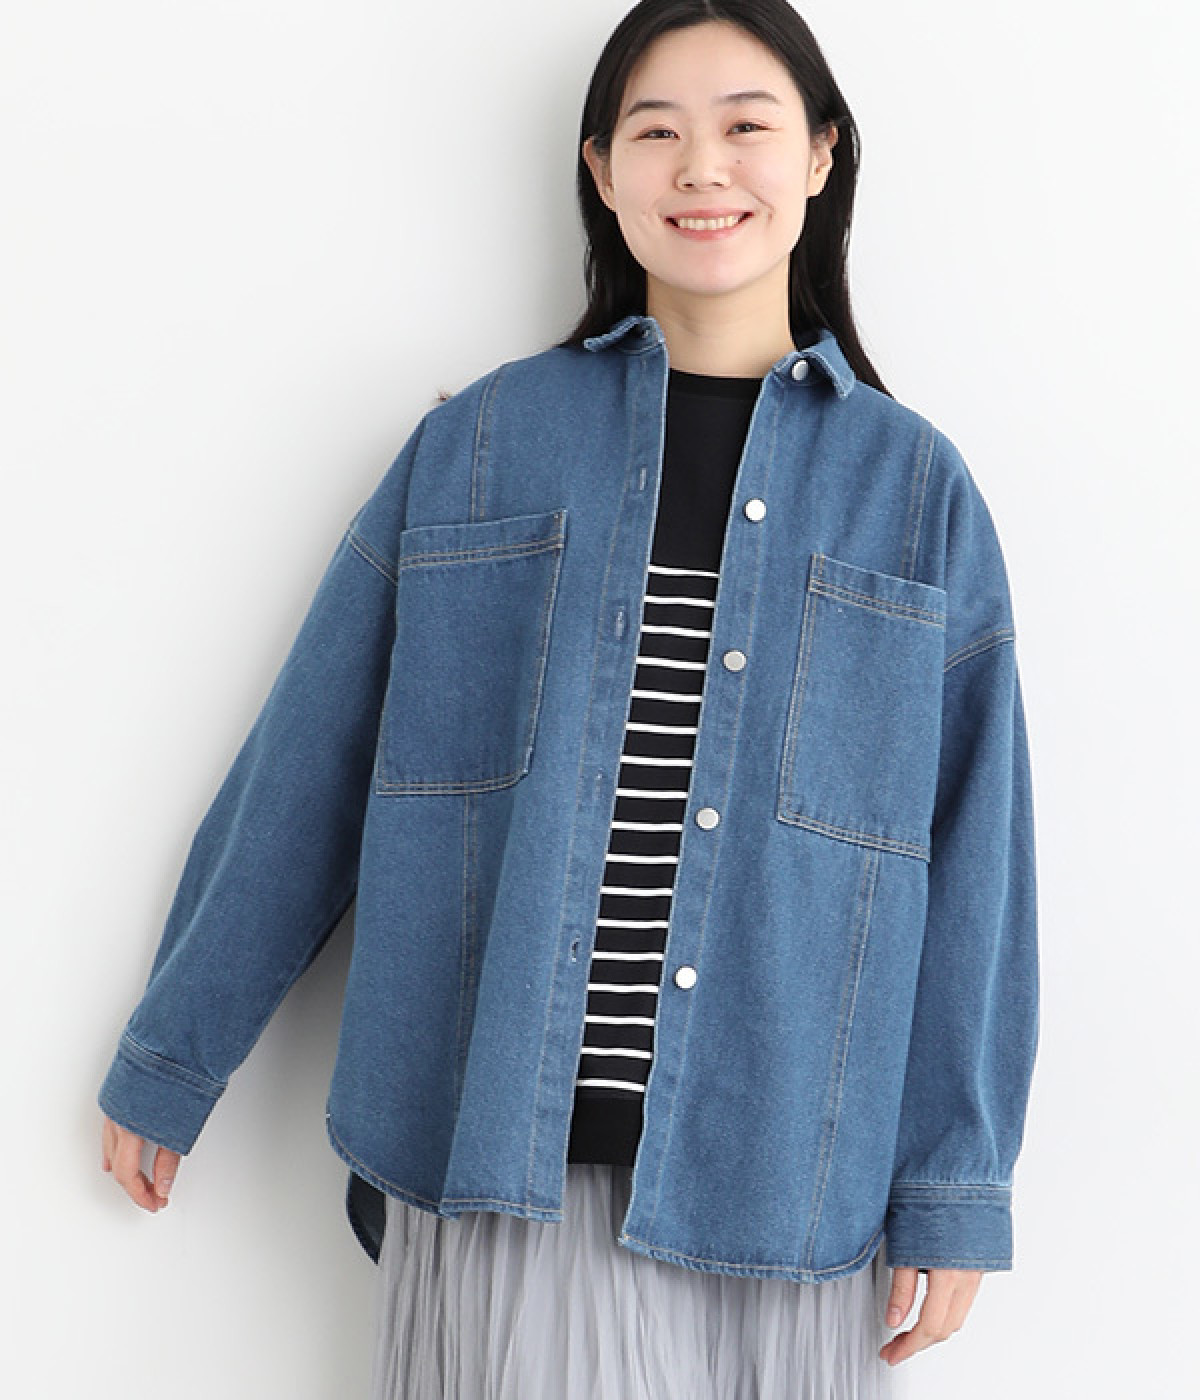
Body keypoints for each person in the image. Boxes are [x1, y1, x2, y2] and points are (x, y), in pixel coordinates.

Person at [98, 1, 1040, 1395]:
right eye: (656, 132)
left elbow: (976, 871)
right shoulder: (481, 446)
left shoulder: (916, 497)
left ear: (821, 156)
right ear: (602, 170)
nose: (702, 167)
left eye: (746, 126)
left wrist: (955, 1189)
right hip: (498, 1164)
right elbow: (312, 763)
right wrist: (174, 1058)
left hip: (780, 1189)